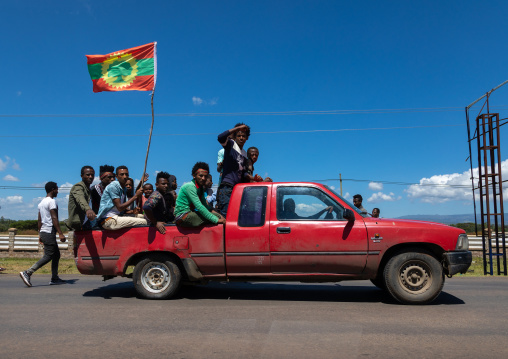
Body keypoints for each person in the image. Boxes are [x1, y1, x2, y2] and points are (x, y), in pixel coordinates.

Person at [20, 182, 67, 287]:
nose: (58, 191)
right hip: (49, 231)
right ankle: (28, 272)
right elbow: (54, 218)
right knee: (48, 255)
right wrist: (60, 233)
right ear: (52, 189)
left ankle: (54, 278)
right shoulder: (52, 202)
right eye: (57, 189)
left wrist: (40, 234)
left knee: (56, 255)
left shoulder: (41, 203)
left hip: (44, 231)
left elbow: (39, 220)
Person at [216, 123, 261, 217]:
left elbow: (243, 173)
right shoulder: (231, 145)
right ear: (235, 137)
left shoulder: (244, 154)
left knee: (236, 217)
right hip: (227, 188)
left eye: (243, 136)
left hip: (237, 189)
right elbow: (220, 137)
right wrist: (237, 128)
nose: (241, 138)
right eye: (239, 135)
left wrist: (253, 178)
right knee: (226, 216)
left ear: (247, 138)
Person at [174, 162, 225, 227]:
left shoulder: (200, 189)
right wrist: (217, 220)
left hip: (189, 214)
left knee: (217, 216)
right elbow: (199, 206)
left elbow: (205, 205)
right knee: (216, 218)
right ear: (194, 176)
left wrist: (219, 215)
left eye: (205, 176)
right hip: (183, 216)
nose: (203, 178)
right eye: (201, 176)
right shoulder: (190, 186)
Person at [97, 166, 147, 230]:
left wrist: (133, 211)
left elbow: (123, 210)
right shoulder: (114, 186)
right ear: (116, 176)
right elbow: (120, 208)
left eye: (126, 174)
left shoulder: (124, 189)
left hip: (116, 216)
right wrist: (135, 196)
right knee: (144, 222)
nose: (125, 177)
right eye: (122, 174)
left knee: (142, 216)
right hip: (108, 220)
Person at [66, 166, 97, 231]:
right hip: (78, 225)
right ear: (82, 176)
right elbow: (80, 199)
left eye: (92, 175)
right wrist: (88, 209)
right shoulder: (78, 187)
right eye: (88, 175)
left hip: (87, 223)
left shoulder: (89, 189)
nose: (91, 177)